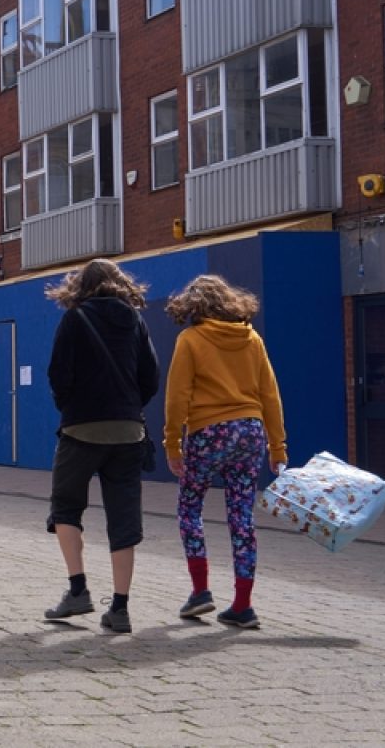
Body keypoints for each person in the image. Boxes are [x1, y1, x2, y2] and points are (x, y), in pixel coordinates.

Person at [163, 275, 287, 629]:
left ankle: (201, 591)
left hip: (209, 431)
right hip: (251, 431)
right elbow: (270, 395)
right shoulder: (252, 339)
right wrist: (278, 447)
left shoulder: (189, 339)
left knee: (190, 506)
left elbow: (177, 397)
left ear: (193, 306)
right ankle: (243, 606)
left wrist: (173, 444)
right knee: (242, 515)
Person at [42, 259, 159, 634]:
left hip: (80, 429)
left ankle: (78, 591)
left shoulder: (75, 319)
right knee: (123, 520)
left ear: (81, 286)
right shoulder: (135, 320)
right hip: (127, 433)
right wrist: (127, 408)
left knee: (65, 507)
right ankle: (120, 609)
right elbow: (151, 376)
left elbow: (58, 373)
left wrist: (73, 408)